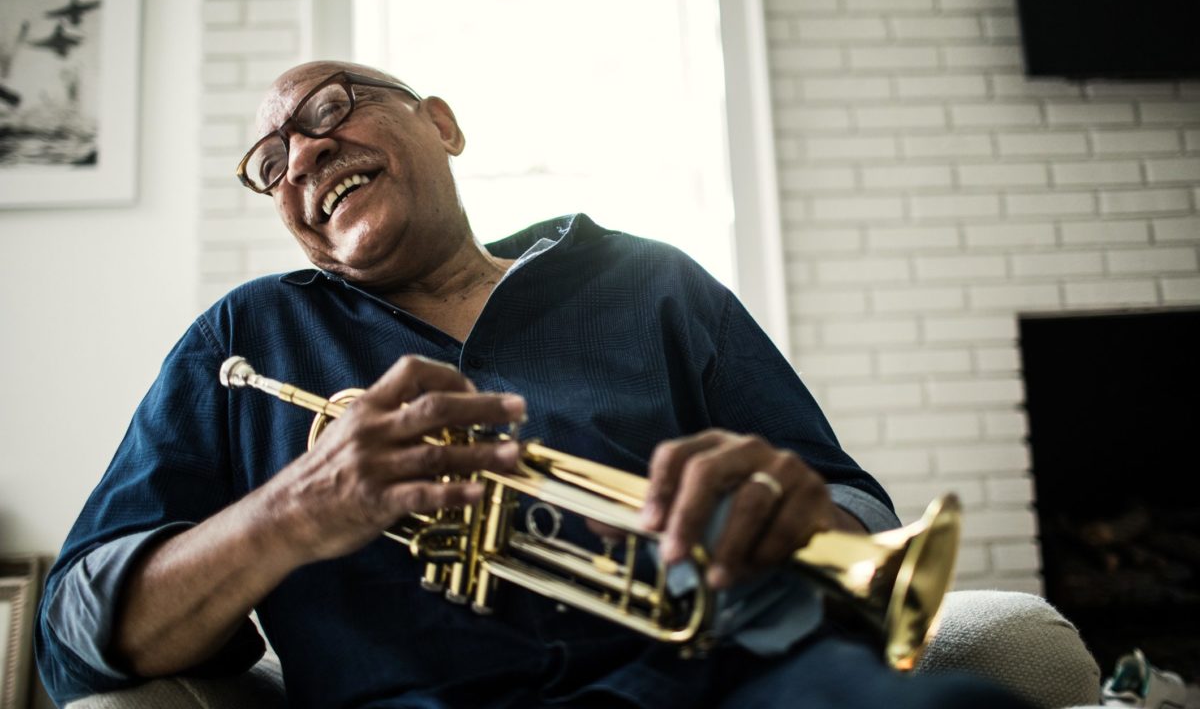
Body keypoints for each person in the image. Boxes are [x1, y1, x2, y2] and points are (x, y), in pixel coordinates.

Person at [36, 61, 1029, 708]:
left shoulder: (653, 282)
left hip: (723, 690)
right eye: (269, 162)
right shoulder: (245, 338)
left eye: (329, 109)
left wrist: (794, 505)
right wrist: (294, 512)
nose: (302, 156)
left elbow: (850, 504)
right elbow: (74, 626)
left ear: (442, 124)